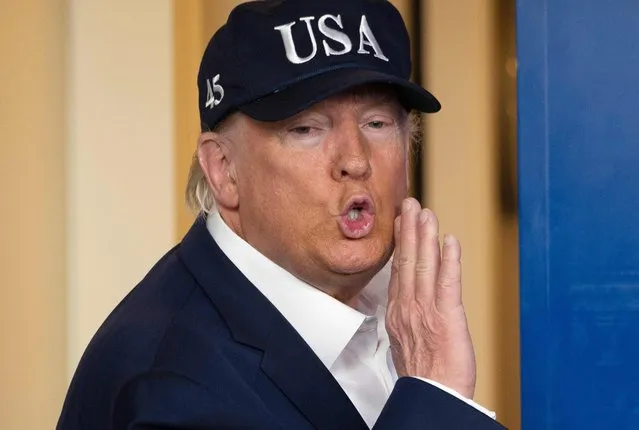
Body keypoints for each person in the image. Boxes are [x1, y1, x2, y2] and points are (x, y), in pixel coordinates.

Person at [57, 0, 507, 429]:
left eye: (377, 123)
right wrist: (435, 398)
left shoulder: (398, 310)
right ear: (224, 170)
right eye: (306, 129)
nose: (355, 159)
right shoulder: (175, 388)